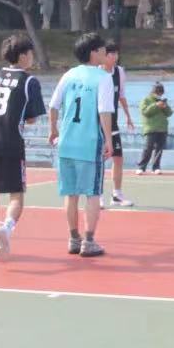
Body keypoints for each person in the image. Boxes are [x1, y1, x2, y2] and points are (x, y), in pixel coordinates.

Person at [0, 34, 46, 261]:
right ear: (23, 56)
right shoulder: (29, 81)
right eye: (31, 53)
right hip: (11, 141)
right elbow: (32, 117)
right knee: (16, 195)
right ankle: (6, 229)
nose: (32, 57)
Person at [48, 33, 115, 257]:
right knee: (92, 193)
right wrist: (109, 139)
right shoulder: (103, 77)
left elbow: (53, 105)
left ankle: (73, 238)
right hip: (89, 143)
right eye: (103, 49)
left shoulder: (69, 75)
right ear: (93, 52)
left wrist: (53, 130)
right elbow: (104, 111)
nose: (106, 52)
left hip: (66, 143)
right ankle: (89, 241)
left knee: (71, 194)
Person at [102, 42, 136, 206]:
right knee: (99, 159)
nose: (115, 57)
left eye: (116, 53)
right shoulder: (97, 73)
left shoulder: (119, 72)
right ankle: (97, 194)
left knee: (118, 158)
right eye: (111, 54)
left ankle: (117, 194)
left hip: (113, 122)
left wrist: (128, 116)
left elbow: (121, 95)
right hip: (99, 122)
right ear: (104, 55)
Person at [137, 82, 172, 174]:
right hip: (150, 128)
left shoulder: (162, 100)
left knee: (159, 150)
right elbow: (145, 112)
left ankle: (156, 167)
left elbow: (169, 113)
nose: (159, 94)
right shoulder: (146, 100)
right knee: (148, 148)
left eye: (161, 92)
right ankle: (141, 167)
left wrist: (165, 106)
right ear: (153, 91)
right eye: (157, 92)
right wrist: (156, 105)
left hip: (162, 128)